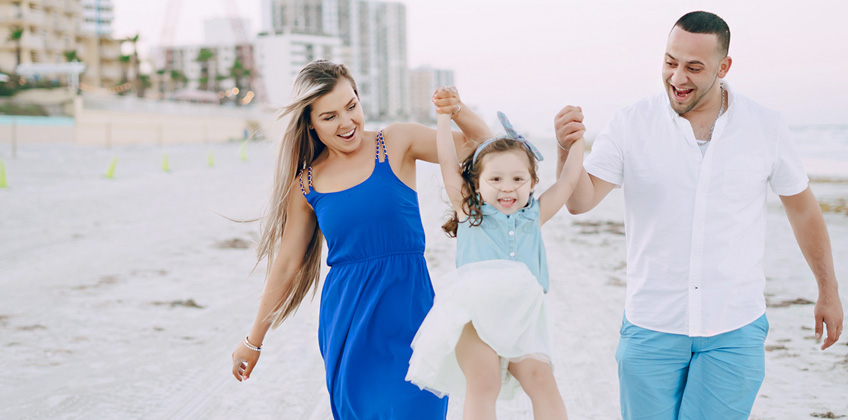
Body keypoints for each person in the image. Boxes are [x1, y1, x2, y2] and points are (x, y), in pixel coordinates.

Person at [553, 11, 844, 420]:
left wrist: (828, 291)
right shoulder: (630, 123)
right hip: (651, 324)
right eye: (670, 62)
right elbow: (579, 202)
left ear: (723, 68)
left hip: (734, 327)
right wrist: (566, 150)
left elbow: (803, 210)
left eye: (693, 67)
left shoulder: (766, 126)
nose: (677, 78)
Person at [230, 60, 492, 419]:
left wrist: (457, 109)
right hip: (349, 323)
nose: (347, 122)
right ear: (310, 122)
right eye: (329, 116)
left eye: (351, 106)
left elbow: (483, 147)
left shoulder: (397, 142)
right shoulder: (306, 185)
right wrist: (253, 341)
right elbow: (287, 264)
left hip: (413, 316)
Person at [406, 108, 586, 420]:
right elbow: (448, 164)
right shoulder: (470, 213)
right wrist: (444, 117)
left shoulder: (534, 215)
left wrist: (578, 139)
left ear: (532, 182)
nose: (507, 187)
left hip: (524, 319)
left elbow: (569, 180)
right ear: (477, 183)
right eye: (496, 179)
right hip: (475, 317)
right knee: (484, 382)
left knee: (542, 380)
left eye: (518, 178)